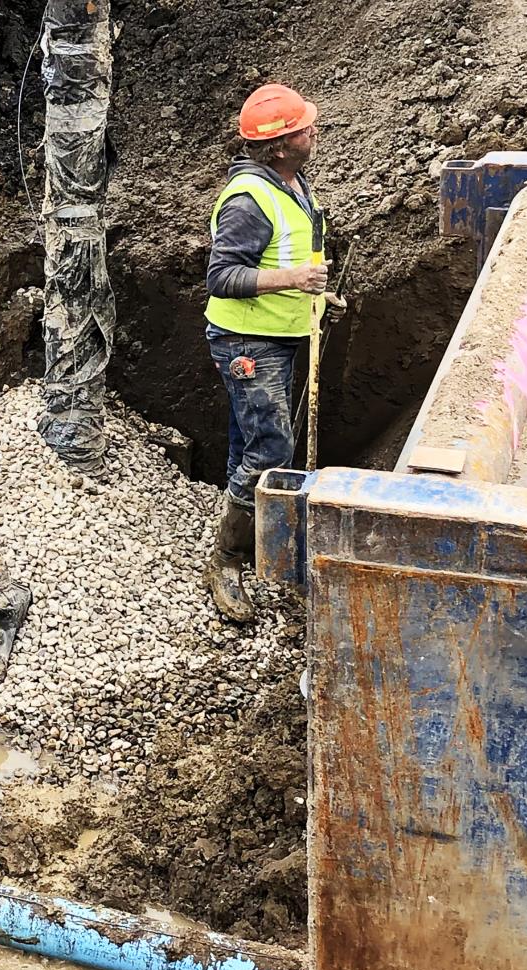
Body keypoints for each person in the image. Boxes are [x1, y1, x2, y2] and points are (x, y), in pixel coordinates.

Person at [202, 82, 327, 623]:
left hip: (279, 334)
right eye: (303, 128)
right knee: (272, 445)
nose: (313, 131)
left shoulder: (291, 182)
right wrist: (294, 278)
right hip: (248, 341)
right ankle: (226, 561)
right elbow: (221, 276)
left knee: (248, 436)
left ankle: (249, 532)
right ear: (277, 146)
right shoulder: (250, 201)